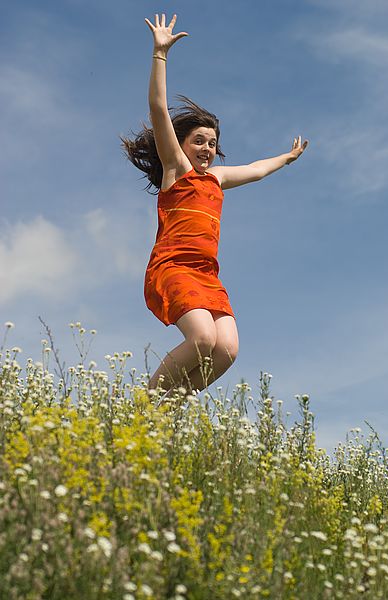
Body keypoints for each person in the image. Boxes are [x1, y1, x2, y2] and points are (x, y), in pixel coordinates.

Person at [121, 13, 308, 400]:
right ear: (182, 144)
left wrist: (285, 159)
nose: (206, 148)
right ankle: (142, 408)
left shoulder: (217, 179)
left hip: (208, 274)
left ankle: (165, 415)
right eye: (198, 140)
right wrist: (160, 55)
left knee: (226, 350)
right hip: (173, 268)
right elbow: (158, 109)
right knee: (203, 338)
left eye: (212, 142)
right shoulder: (177, 170)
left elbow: (255, 170)